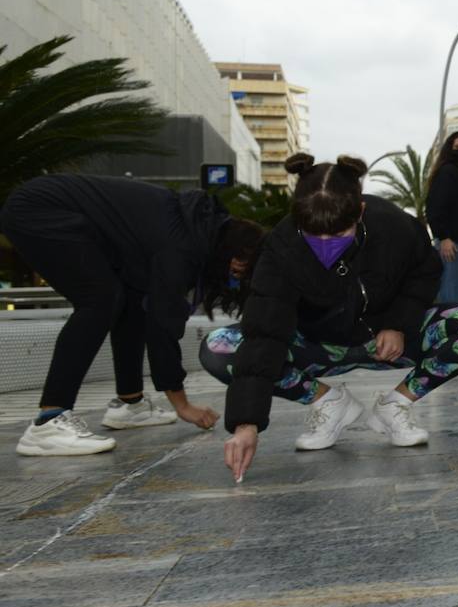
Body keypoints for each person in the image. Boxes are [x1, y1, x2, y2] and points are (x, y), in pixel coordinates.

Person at [209, 154, 458, 483]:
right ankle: (329, 402)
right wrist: (245, 424)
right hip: (320, 348)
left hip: (389, 342)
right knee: (219, 348)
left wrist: (397, 323)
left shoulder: (394, 225)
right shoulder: (281, 249)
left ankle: (394, 405)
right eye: (313, 236)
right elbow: (264, 331)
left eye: (338, 235)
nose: (325, 246)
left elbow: (425, 272)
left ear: (360, 211)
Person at [1, 175, 263, 456]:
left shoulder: (197, 230)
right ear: (236, 257)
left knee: (131, 300)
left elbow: (148, 312)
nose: (234, 279)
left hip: (56, 210)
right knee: (100, 299)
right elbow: (163, 326)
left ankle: (130, 404)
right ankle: (49, 422)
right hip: (38, 209)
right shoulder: (181, 249)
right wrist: (183, 405)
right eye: (239, 272)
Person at [424, 131, 458, 305]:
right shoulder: (446, 173)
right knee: (451, 296)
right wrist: (444, 237)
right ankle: (449, 331)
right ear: (450, 149)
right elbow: (434, 208)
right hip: (452, 245)